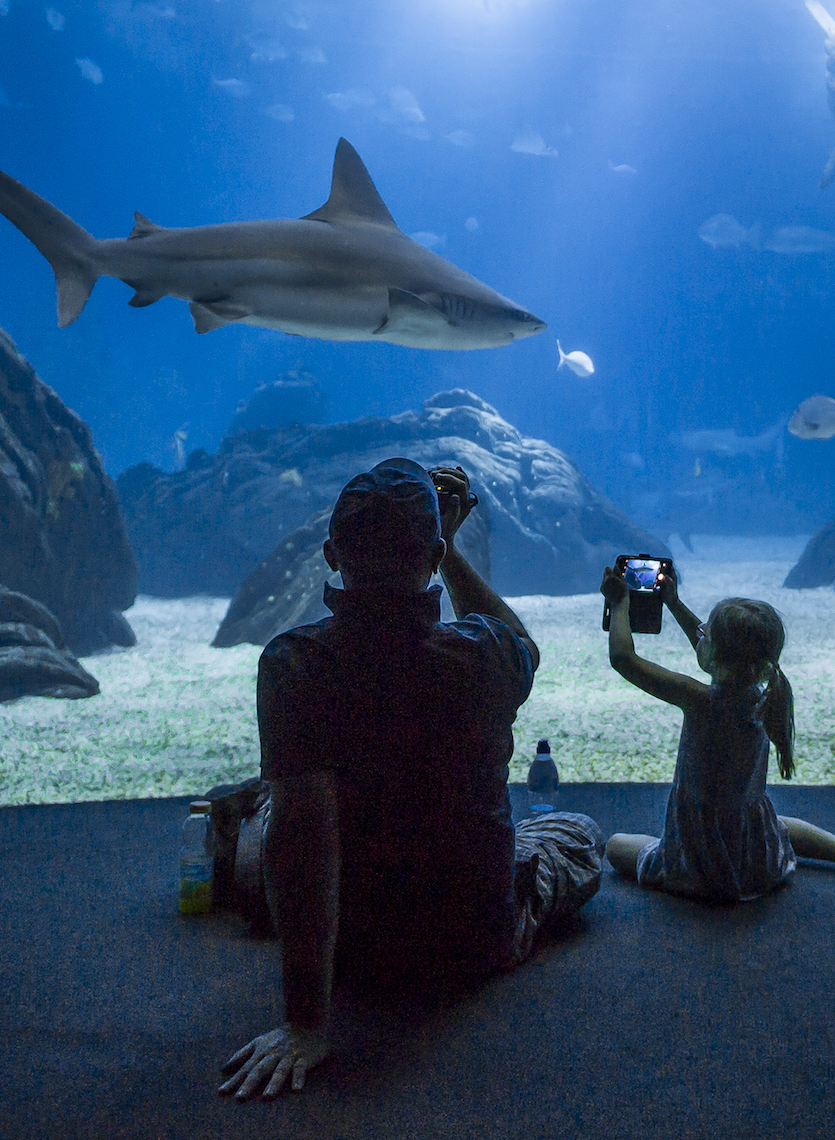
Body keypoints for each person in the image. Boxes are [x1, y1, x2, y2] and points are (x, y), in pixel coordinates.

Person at [219, 459, 603, 1101]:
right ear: (432, 552)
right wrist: (449, 554)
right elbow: (523, 645)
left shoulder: (295, 665)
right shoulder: (482, 654)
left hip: (352, 950)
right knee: (576, 831)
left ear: (331, 556)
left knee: (278, 815)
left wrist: (306, 1022)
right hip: (469, 941)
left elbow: (306, 844)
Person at [602, 562, 835, 901]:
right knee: (774, 820)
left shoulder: (701, 700)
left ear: (715, 656)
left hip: (700, 863)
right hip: (757, 858)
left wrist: (620, 603)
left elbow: (624, 658)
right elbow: (711, 643)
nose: (700, 634)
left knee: (615, 845)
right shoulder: (763, 696)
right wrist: (674, 603)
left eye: (707, 635)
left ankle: (695, 876)